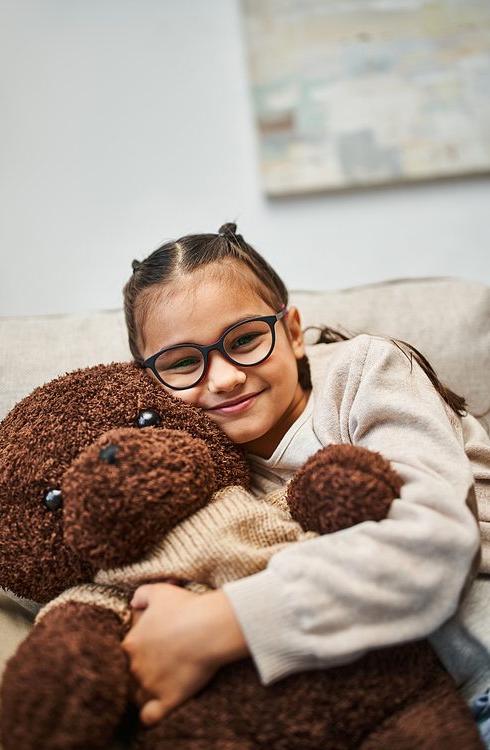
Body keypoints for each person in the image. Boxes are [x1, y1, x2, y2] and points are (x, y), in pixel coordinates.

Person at [121, 222, 490, 740]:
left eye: (246, 338)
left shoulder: (364, 373)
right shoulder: (192, 471)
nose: (224, 377)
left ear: (292, 332)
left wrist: (216, 624)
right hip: (370, 714)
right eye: (182, 363)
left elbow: (435, 540)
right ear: (148, 381)